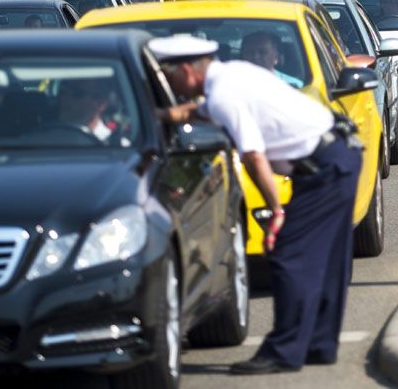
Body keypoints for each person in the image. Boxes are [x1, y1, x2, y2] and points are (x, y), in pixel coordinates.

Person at [150, 35, 362, 374]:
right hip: (339, 155)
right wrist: (165, 114)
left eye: (170, 76)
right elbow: (197, 110)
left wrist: (275, 208)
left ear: (188, 70)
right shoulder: (232, 74)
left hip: (324, 167)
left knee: (291, 256)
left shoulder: (223, 95)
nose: (171, 84)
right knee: (326, 258)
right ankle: (319, 344)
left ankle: (283, 352)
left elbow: (251, 154)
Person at [57, 77, 115, 142]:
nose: (65, 99)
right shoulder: (46, 141)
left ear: (101, 103)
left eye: (77, 93)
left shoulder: (116, 146)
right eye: (63, 91)